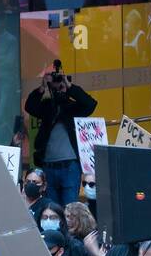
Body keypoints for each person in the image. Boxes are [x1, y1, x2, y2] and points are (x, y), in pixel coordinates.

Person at [24, 64, 98, 207]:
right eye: (55, 82)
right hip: (49, 166)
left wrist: (70, 88)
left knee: (70, 209)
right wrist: (42, 88)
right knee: (52, 209)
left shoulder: (73, 107)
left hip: (70, 166)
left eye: (60, 82)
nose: (58, 86)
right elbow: (30, 106)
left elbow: (90, 104)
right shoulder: (47, 107)